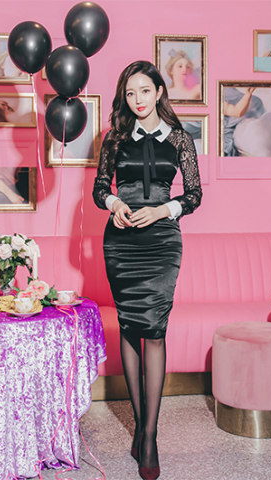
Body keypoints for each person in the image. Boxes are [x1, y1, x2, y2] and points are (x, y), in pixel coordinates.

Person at [92, 60, 202, 480]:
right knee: (129, 327)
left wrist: (161, 210)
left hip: (161, 244)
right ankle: (140, 426)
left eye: (144, 91)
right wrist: (115, 204)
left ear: (158, 92)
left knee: (154, 331)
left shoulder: (180, 139)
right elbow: (100, 188)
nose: (137, 100)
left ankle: (150, 436)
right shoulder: (115, 138)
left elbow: (194, 195)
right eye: (130, 93)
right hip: (121, 244)